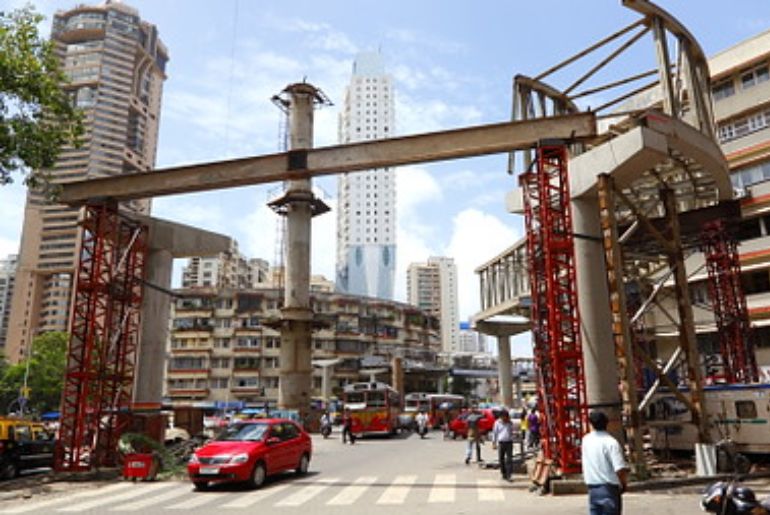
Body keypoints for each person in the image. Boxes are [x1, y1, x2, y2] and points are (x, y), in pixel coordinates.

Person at [581, 411, 628, 515]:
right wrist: (623, 483)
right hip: (609, 488)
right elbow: (619, 468)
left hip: (592, 488)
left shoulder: (586, 440)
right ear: (607, 424)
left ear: (591, 424)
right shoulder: (611, 442)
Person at [491, 410, 515, 481]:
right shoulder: (497, 423)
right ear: (501, 417)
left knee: (509, 459)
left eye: (506, 417)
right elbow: (494, 433)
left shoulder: (510, 423)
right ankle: (503, 473)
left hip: (509, 442)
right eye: (503, 417)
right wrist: (494, 443)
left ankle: (509, 475)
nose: (505, 418)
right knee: (501, 459)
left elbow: (511, 432)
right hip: (501, 442)